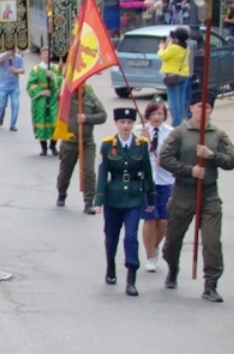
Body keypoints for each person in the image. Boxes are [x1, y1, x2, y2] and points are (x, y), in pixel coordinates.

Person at [158, 89, 234, 302]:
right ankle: (172, 268)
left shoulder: (218, 135)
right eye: (199, 106)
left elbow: (230, 162)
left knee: (212, 243)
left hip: (209, 194)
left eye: (208, 106)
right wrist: (188, 170)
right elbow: (164, 158)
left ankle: (211, 284)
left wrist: (212, 156)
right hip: (183, 192)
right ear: (191, 107)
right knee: (172, 242)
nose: (203, 110)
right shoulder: (180, 133)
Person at [93, 108, 156, 296]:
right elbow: (103, 174)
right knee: (111, 237)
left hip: (134, 198)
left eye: (129, 122)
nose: (126, 126)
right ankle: (110, 265)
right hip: (114, 197)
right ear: (116, 124)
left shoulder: (141, 144)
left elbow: (147, 172)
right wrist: (99, 200)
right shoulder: (107, 145)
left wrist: (150, 197)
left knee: (130, 236)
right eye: (122, 122)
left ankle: (131, 277)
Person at [56, 83, 107, 214]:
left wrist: (87, 118)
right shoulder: (66, 96)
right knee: (65, 172)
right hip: (69, 141)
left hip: (87, 142)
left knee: (89, 172)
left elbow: (103, 116)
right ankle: (62, 193)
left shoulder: (91, 98)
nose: (81, 85)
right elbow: (57, 96)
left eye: (83, 83)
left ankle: (88, 202)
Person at [139, 101, 175, 272]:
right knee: (149, 217)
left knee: (163, 219)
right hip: (147, 180)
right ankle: (150, 256)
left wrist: (167, 161)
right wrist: (143, 142)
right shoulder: (139, 131)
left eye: (159, 114)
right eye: (153, 114)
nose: (156, 117)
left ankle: (155, 246)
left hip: (165, 179)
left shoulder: (171, 133)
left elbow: (177, 156)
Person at [26, 48, 60, 156]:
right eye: (44, 53)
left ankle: (53, 145)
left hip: (54, 99)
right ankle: (44, 147)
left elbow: (62, 80)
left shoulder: (56, 68)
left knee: (56, 122)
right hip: (41, 101)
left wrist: (53, 77)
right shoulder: (36, 69)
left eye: (48, 53)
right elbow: (30, 85)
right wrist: (42, 92)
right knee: (41, 122)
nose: (46, 55)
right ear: (41, 55)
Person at [158, 28, 191, 126]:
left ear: (176, 38)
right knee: (181, 100)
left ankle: (176, 123)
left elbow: (163, 56)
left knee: (173, 101)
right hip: (183, 74)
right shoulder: (186, 47)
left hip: (172, 75)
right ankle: (180, 121)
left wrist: (161, 48)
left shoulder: (173, 48)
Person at [0, 47, 25, 131]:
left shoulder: (19, 58)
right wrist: (6, 56)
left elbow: (23, 70)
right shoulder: (2, 55)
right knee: (1, 105)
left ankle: (13, 124)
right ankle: (1, 115)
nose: (12, 51)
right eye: (10, 49)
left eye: (13, 49)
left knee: (15, 104)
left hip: (14, 86)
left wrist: (15, 70)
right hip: (3, 85)